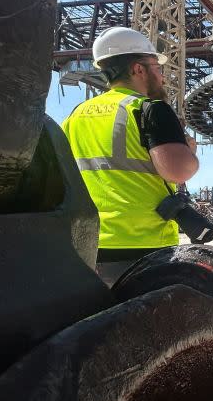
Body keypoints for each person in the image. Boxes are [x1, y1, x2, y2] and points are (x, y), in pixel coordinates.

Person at [61, 27, 199, 285]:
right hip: (145, 244)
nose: (162, 76)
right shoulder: (149, 109)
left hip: (88, 245)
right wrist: (189, 151)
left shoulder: (75, 115)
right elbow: (178, 171)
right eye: (156, 67)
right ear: (138, 69)